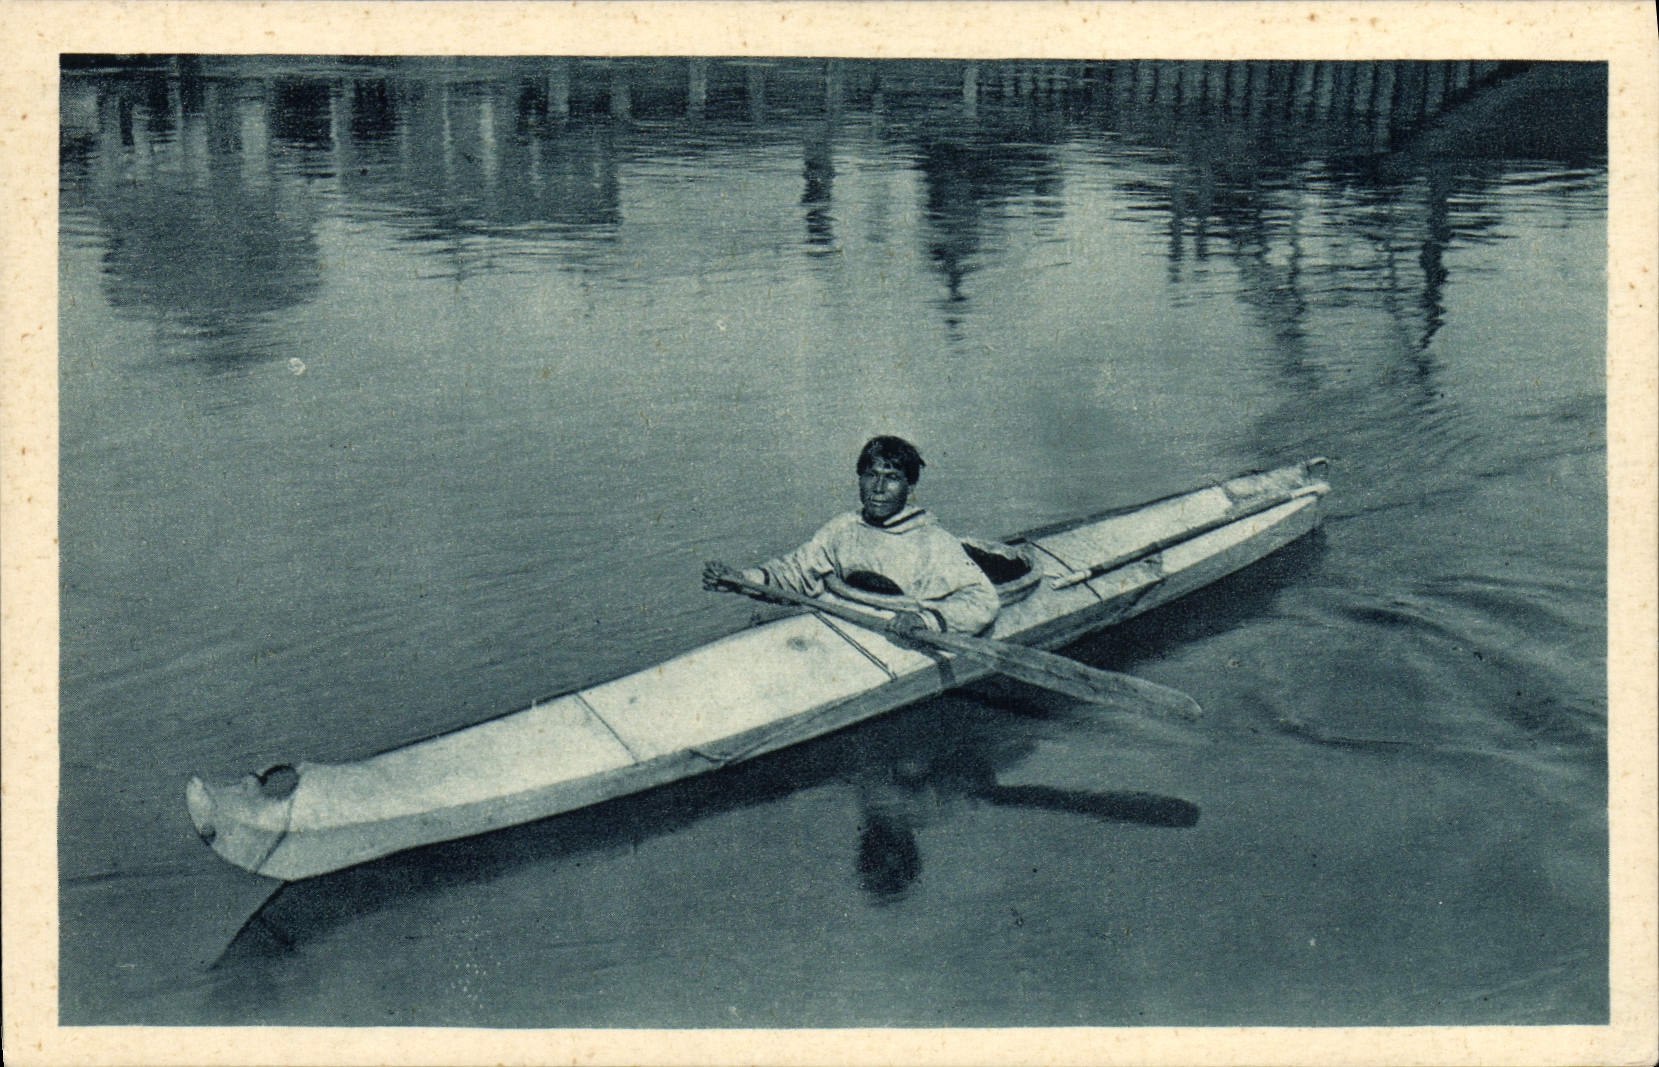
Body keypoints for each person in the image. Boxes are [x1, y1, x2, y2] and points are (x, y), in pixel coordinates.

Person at [703, 436, 999, 636]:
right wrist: (740, 579)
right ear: (860, 479)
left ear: (910, 489)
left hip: (894, 628)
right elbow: (795, 571)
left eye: (892, 478)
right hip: (834, 617)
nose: (879, 487)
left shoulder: (933, 543)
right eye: (871, 475)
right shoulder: (842, 529)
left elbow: (982, 600)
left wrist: (925, 621)